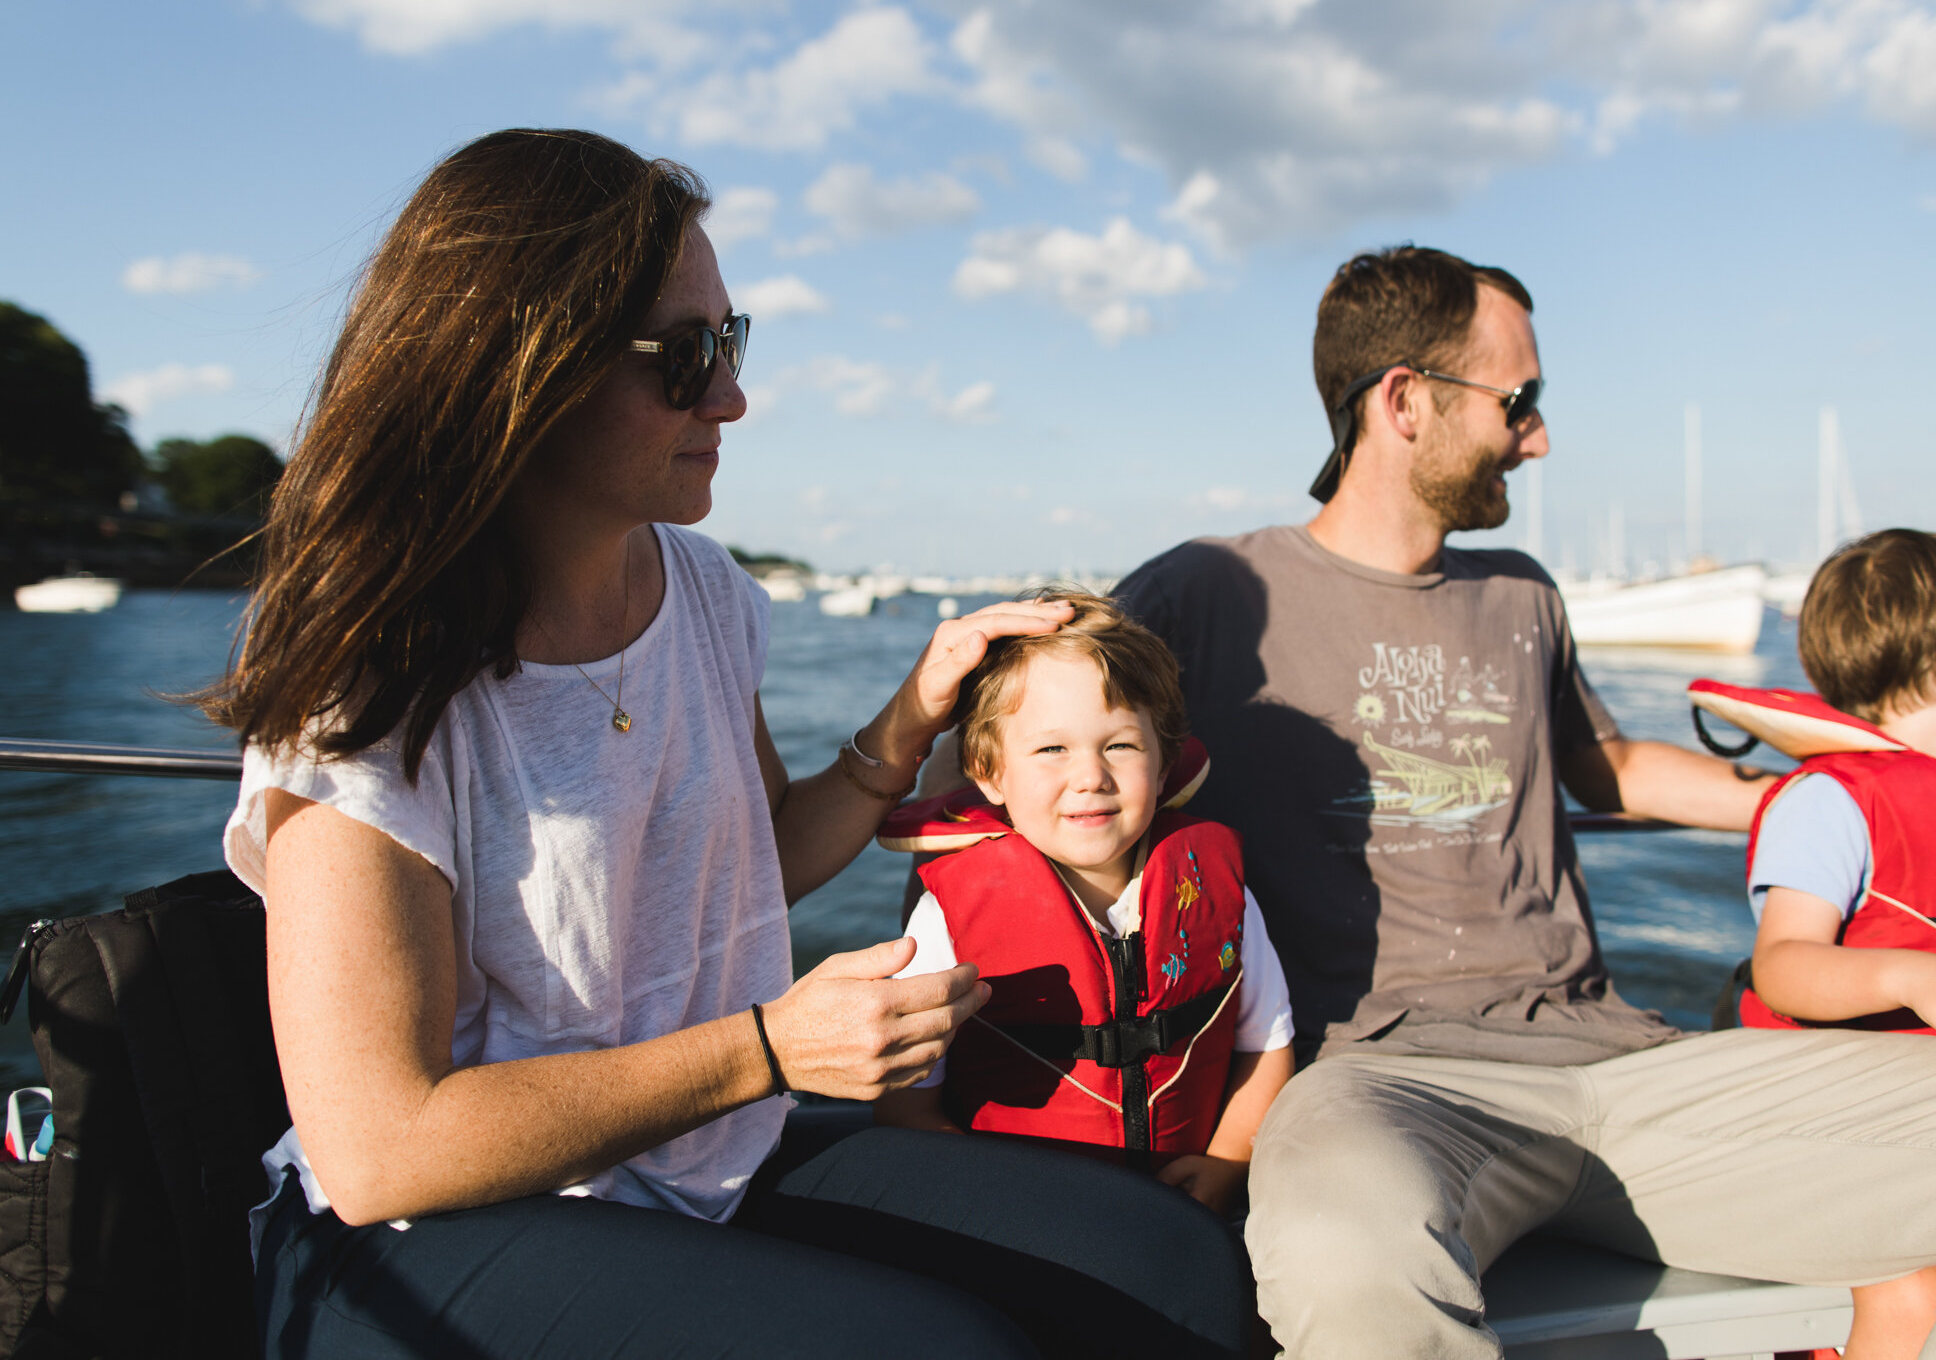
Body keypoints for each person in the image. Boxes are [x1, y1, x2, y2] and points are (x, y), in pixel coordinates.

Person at [208, 128, 1257, 1359]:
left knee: (1169, 1262)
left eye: (732, 340)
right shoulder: (371, 681)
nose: (732, 396)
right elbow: (382, 1146)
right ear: (520, 375)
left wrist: (911, 714)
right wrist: (769, 1048)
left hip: (697, 1160)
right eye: (686, 356)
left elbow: (755, 854)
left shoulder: (701, 595)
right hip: (409, 1239)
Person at [1103, 245, 1936, 1357]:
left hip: (1631, 1073)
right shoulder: (1206, 591)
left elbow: (1605, 767)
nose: (1539, 436)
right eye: (1519, 401)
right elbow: (1028, 751)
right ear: (1403, 401)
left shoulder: (1521, 594)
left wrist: (1846, 797)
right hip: (1379, 1078)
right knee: (1342, 1254)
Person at [874, 592, 1295, 1216]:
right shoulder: (948, 920)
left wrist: (1231, 1160)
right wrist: (991, 1202)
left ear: (1164, 759)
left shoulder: (1221, 890)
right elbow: (906, 1104)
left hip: (1189, 1208)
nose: (1091, 776)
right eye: (1052, 750)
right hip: (1021, 1216)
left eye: (1120, 745)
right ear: (990, 773)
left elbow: (1266, 1045)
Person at [1736, 528, 1936, 1359]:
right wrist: (1926, 980)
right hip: (1860, 1134)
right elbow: (1785, 964)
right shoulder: (1833, 800)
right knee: (1914, 1288)